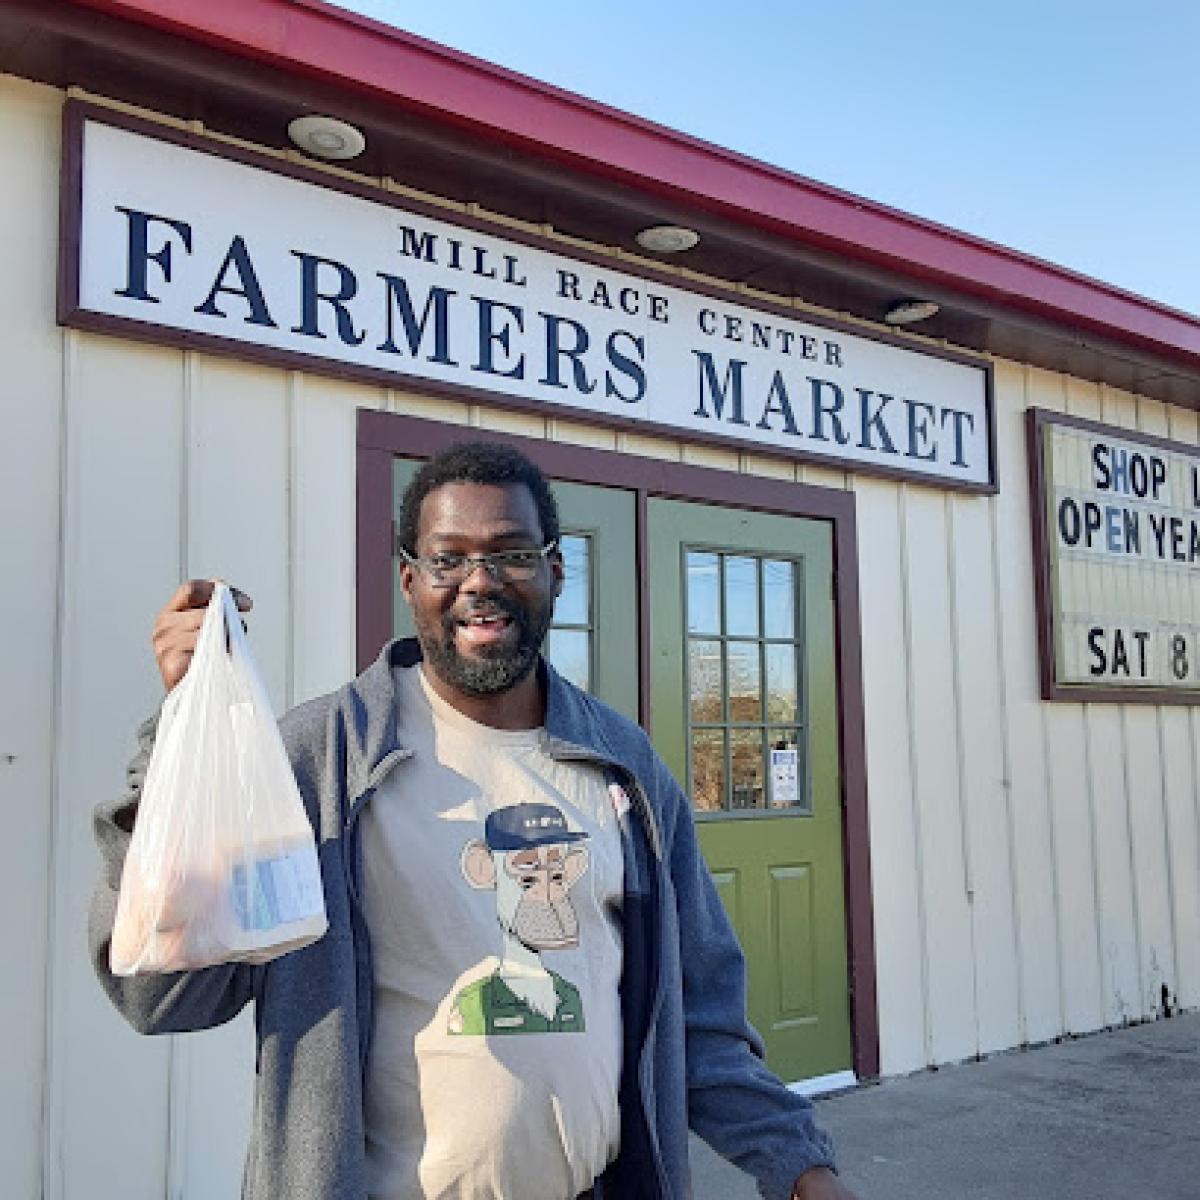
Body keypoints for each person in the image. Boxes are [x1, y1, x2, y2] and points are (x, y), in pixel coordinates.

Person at [90, 441, 857, 1200]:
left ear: (556, 572)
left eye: (512, 554)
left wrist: (800, 1164)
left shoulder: (623, 765)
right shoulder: (319, 762)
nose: (479, 583)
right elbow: (164, 996)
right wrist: (179, 741)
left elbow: (701, 1018)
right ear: (409, 580)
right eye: (447, 558)